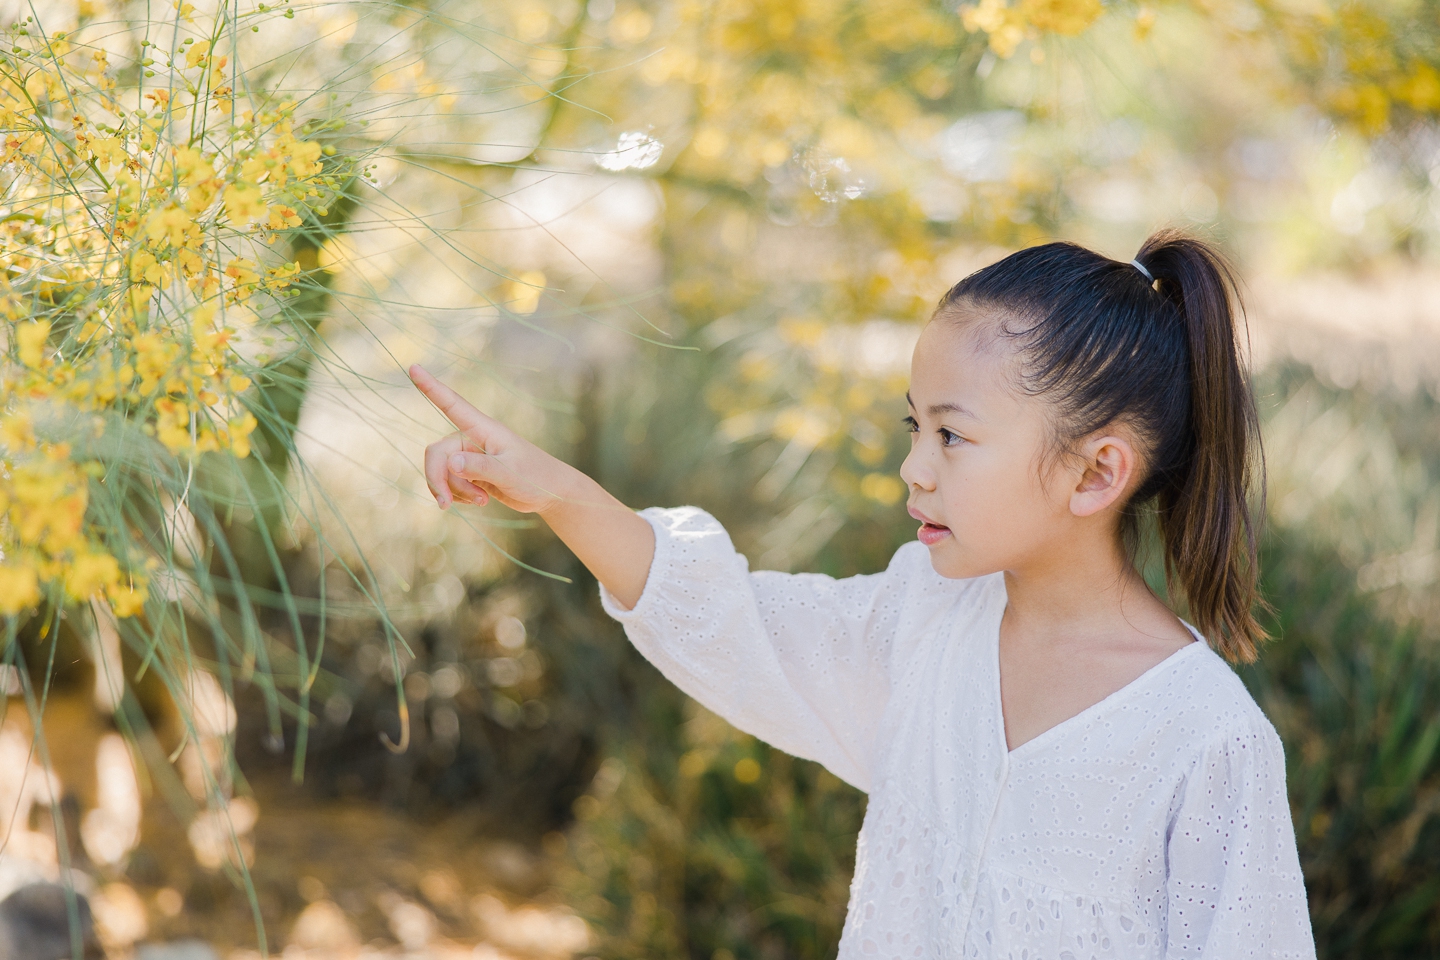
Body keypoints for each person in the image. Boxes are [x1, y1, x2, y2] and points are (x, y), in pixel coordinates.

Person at [410, 229, 1317, 959]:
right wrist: (557, 490)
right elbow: (730, 620)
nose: (912, 468)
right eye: (912, 426)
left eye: (953, 437)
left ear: (1094, 474)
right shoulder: (921, 617)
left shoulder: (1205, 741)